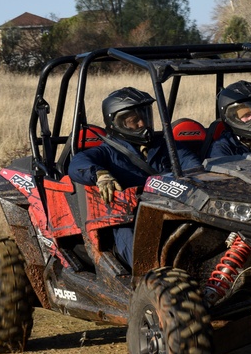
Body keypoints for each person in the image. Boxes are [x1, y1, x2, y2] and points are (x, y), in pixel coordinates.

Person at [68, 86, 201, 267]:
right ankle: (148, 279)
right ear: (116, 123)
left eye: (146, 117)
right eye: (133, 121)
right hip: (130, 219)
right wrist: (100, 174)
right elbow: (77, 164)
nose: (142, 125)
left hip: (175, 213)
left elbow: (195, 168)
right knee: (133, 241)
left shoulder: (168, 146)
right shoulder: (107, 152)